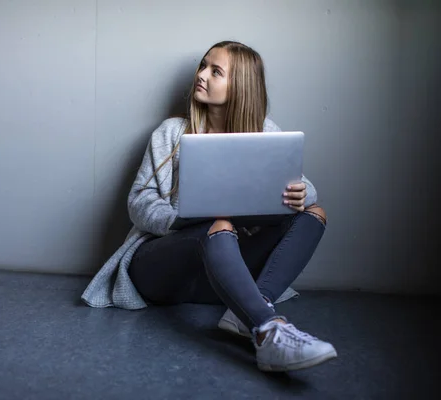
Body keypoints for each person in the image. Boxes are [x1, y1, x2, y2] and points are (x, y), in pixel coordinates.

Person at [81, 41, 337, 372]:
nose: (201, 75)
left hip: (220, 276)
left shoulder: (263, 133)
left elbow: (306, 187)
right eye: (203, 66)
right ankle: (267, 329)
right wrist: (183, 219)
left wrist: (303, 194)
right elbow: (138, 201)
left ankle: (247, 309)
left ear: (240, 86)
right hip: (161, 267)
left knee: (315, 214)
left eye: (215, 71)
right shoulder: (171, 132)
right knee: (218, 226)